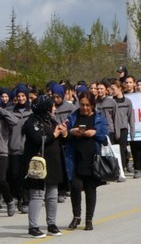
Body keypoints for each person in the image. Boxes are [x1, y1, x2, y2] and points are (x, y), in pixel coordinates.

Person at [20, 94, 67, 236]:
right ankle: (33, 226)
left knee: (52, 195)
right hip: (38, 164)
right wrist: (55, 134)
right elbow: (37, 140)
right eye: (51, 106)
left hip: (53, 163)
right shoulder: (32, 122)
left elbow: (57, 139)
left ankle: (51, 224)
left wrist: (64, 133)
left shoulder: (51, 120)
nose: (54, 108)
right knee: (37, 194)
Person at [63, 92, 111, 230]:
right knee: (76, 188)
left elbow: (105, 136)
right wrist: (71, 132)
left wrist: (95, 133)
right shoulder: (73, 117)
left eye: (87, 105)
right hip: (75, 159)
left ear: (92, 105)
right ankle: (76, 216)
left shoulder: (99, 118)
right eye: (82, 105)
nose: (84, 108)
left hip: (92, 159)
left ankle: (89, 219)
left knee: (90, 189)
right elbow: (65, 136)